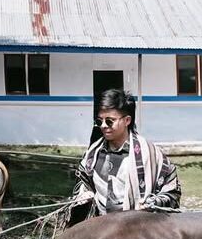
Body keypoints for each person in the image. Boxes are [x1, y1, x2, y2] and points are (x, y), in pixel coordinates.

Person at [69, 89, 181, 221]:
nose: (103, 126)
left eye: (109, 121)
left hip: (140, 230)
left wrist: (152, 204)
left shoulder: (150, 155)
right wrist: (84, 193)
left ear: (127, 120)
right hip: (100, 231)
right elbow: (82, 182)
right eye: (100, 121)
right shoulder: (93, 154)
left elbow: (172, 191)